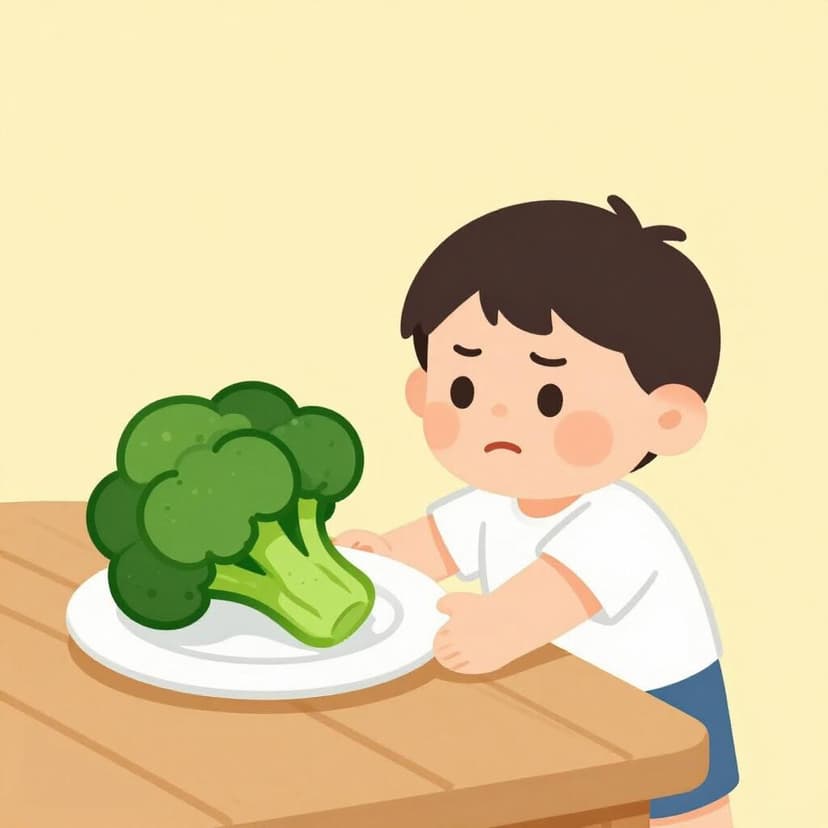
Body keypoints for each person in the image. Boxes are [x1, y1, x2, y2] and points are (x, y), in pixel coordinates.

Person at [335, 197, 739, 827]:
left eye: (549, 394)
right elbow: (428, 548)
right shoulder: (491, 505)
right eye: (463, 388)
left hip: (662, 713)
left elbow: (524, 616)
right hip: (563, 706)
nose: (497, 414)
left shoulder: (620, 524)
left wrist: (490, 629)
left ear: (667, 419)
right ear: (423, 392)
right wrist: (380, 559)